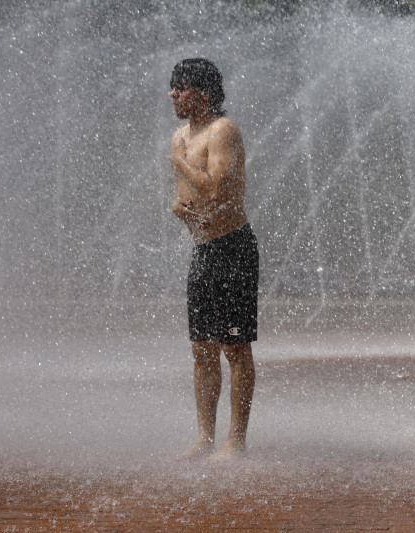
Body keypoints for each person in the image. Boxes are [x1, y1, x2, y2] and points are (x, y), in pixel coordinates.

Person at [169, 58, 259, 461]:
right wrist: (179, 208)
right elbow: (187, 194)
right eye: (172, 87)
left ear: (203, 93)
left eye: (181, 87)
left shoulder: (223, 131)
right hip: (204, 251)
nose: (172, 94)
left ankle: (234, 441)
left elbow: (218, 191)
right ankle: (205, 437)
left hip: (233, 248)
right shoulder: (180, 137)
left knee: (234, 347)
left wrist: (180, 162)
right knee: (201, 348)